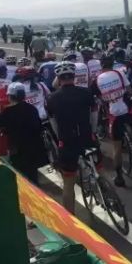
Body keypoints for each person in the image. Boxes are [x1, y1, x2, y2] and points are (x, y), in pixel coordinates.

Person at [47, 61, 98, 214]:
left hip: (67, 141)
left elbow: (53, 123)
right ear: (74, 76)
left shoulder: (51, 98)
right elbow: (94, 115)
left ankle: (71, 219)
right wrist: (93, 131)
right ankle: (103, 187)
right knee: (99, 167)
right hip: (87, 137)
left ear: (58, 78)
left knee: (68, 184)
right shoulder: (86, 92)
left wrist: (60, 138)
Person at [92, 53, 132, 187]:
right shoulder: (119, 73)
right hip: (128, 110)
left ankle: (119, 178)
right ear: (112, 64)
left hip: (113, 115)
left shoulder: (96, 80)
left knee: (116, 148)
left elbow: (97, 98)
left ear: (101, 65)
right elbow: (129, 90)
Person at [0, 82, 47, 184]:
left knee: (21, 177)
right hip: (33, 146)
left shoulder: (8, 112)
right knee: (33, 174)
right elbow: (38, 126)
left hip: (18, 149)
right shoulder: (31, 108)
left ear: (10, 96)